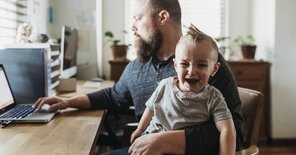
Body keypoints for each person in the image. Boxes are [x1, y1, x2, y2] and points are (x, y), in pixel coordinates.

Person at [35, 0, 243, 154]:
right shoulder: (137, 67)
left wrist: (164, 141)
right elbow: (113, 96)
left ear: (162, 17)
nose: (132, 27)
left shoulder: (204, 68)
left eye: (137, 18)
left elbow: (237, 135)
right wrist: (67, 102)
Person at [130, 24, 236, 155]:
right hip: (151, 142)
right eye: (185, 64)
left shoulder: (213, 97)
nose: (191, 71)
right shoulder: (165, 85)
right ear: (175, 65)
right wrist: (140, 130)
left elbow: (227, 129)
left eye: (201, 65)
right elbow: (150, 108)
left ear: (214, 69)